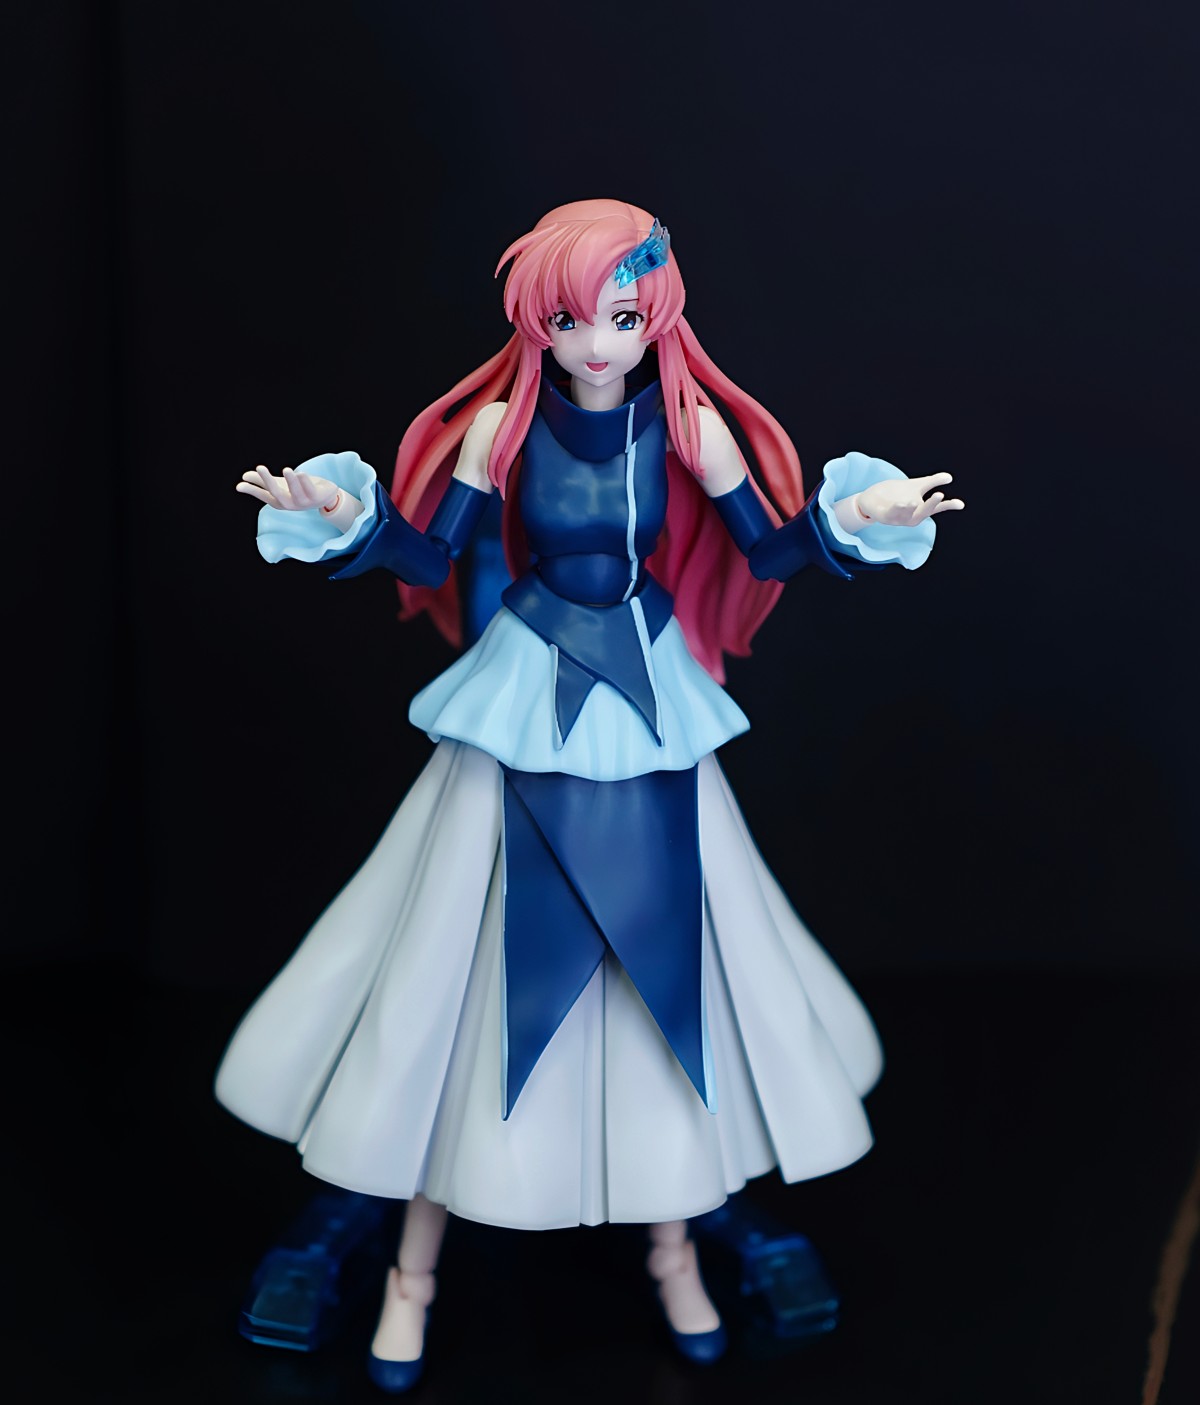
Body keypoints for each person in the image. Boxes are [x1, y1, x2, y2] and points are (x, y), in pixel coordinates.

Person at [217, 198, 963, 1393]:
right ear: (537, 321)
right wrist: (337, 516)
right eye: (572, 319)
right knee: (457, 976)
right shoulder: (501, 427)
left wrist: (854, 520)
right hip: (525, 681)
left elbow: (767, 550)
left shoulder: (692, 429)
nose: (600, 342)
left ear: (657, 313)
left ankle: (674, 1250)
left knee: (665, 977)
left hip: (649, 693)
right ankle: (412, 1274)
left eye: (623, 316)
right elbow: (427, 551)